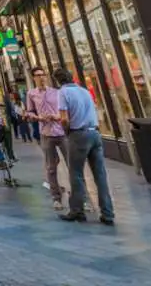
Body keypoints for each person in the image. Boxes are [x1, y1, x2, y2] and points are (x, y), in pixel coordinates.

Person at [55, 68, 114, 225]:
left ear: (58, 81)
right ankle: (108, 213)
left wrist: (66, 131)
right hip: (95, 133)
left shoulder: (62, 93)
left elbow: (64, 118)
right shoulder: (84, 91)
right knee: (100, 175)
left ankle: (77, 211)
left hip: (78, 134)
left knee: (76, 174)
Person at [25, 66, 67, 210]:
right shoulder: (31, 94)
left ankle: (83, 197)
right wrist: (37, 117)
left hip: (61, 132)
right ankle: (56, 198)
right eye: (38, 75)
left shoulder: (56, 92)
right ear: (33, 78)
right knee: (51, 167)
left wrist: (57, 117)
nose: (42, 77)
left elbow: (64, 111)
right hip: (46, 133)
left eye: (43, 74)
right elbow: (29, 112)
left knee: (72, 164)